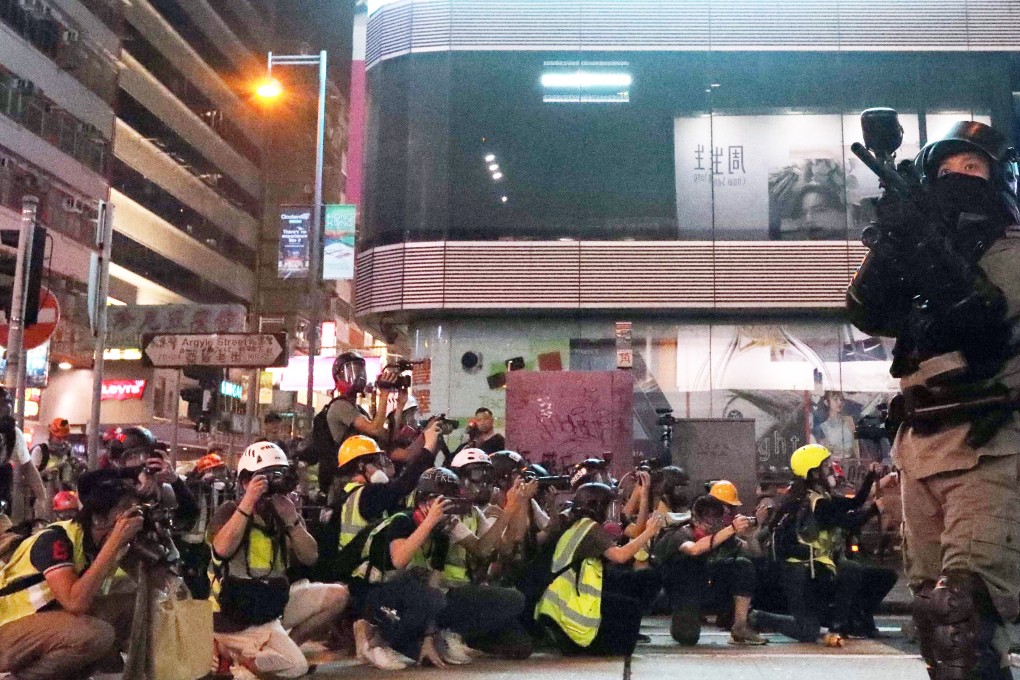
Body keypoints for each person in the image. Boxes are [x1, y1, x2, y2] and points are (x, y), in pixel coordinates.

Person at [847, 119, 1020, 680]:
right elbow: (866, 311)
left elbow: (982, 323)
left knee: (963, 613)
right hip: (919, 447)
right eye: (947, 169)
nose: (960, 178)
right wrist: (893, 241)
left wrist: (922, 244)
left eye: (973, 167)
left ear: (998, 179)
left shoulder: (1012, 250)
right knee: (934, 623)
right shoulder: (921, 246)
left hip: (991, 442)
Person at [349, 468, 533, 669]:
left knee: (435, 605)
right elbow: (399, 560)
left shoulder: (442, 532)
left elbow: (434, 585)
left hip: (410, 598)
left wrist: (429, 637)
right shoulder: (402, 519)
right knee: (426, 600)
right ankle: (375, 639)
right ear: (424, 500)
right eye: (442, 502)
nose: (447, 509)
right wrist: (428, 522)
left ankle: (414, 638)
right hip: (373, 593)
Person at [207, 441, 348, 678]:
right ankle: (231, 654)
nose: (273, 484)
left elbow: (310, 556)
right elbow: (221, 549)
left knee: (338, 595)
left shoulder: (282, 512)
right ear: (245, 481)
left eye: (278, 476)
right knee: (297, 668)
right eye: (266, 478)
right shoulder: (229, 510)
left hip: (271, 605)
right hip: (234, 614)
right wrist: (248, 503)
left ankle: (277, 649)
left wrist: (292, 519)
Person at [0, 478, 143, 680]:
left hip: (47, 621)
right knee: (97, 634)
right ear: (98, 518)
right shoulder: (56, 539)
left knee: (130, 604)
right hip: (8, 628)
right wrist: (115, 540)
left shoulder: (94, 545)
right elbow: (75, 603)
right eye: (124, 509)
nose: (130, 517)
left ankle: (83, 674)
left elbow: (154, 585)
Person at [751, 445, 884, 643]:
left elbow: (854, 502)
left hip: (815, 569)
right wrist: (873, 510)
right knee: (807, 632)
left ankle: (837, 627)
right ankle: (756, 617)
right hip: (799, 573)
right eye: (825, 466)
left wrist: (870, 477)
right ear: (813, 472)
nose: (830, 469)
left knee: (851, 569)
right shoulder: (815, 504)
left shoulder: (814, 498)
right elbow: (850, 522)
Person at [534, 482, 662, 657]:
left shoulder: (577, 522)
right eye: (608, 507)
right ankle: (599, 645)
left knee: (634, 585)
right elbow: (619, 556)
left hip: (561, 601)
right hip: (571, 606)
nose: (610, 512)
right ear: (596, 506)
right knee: (630, 608)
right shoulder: (591, 528)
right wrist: (649, 532)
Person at [658, 494, 767, 646]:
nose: (713, 528)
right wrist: (731, 529)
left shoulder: (722, 534)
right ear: (695, 520)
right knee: (686, 637)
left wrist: (750, 536)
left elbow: (755, 554)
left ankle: (740, 626)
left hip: (711, 589)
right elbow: (695, 549)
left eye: (718, 521)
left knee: (743, 565)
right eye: (709, 523)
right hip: (683, 592)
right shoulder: (680, 534)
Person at [330, 424, 441, 558]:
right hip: (363, 571)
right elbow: (403, 485)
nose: (381, 466)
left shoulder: (345, 495)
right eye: (377, 462)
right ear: (361, 466)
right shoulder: (368, 495)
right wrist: (428, 448)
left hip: (350, 569)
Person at [315, 351, 402, 495]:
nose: (359, 376)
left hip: (361, 474)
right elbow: (375, 429)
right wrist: (384, 395)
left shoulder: (358, 410)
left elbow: (385, 436)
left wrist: (399, 406)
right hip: (348, 479)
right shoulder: (340, 406)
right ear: (338, 376)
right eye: (353, 370)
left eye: (361, 370)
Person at [0, 387, 49, 520]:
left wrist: (41, 498)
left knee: (9, 538)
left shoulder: (13, 435)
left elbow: (28, 468)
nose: (5, 410)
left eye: (5, 405)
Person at [813, 393, 860, 463]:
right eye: (835, 399)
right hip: (833, 466)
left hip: (852, 465)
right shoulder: (822, 427)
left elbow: (856, 446)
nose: (839, 402)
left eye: (841, 399)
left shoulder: (849, 421)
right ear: (827, 402)